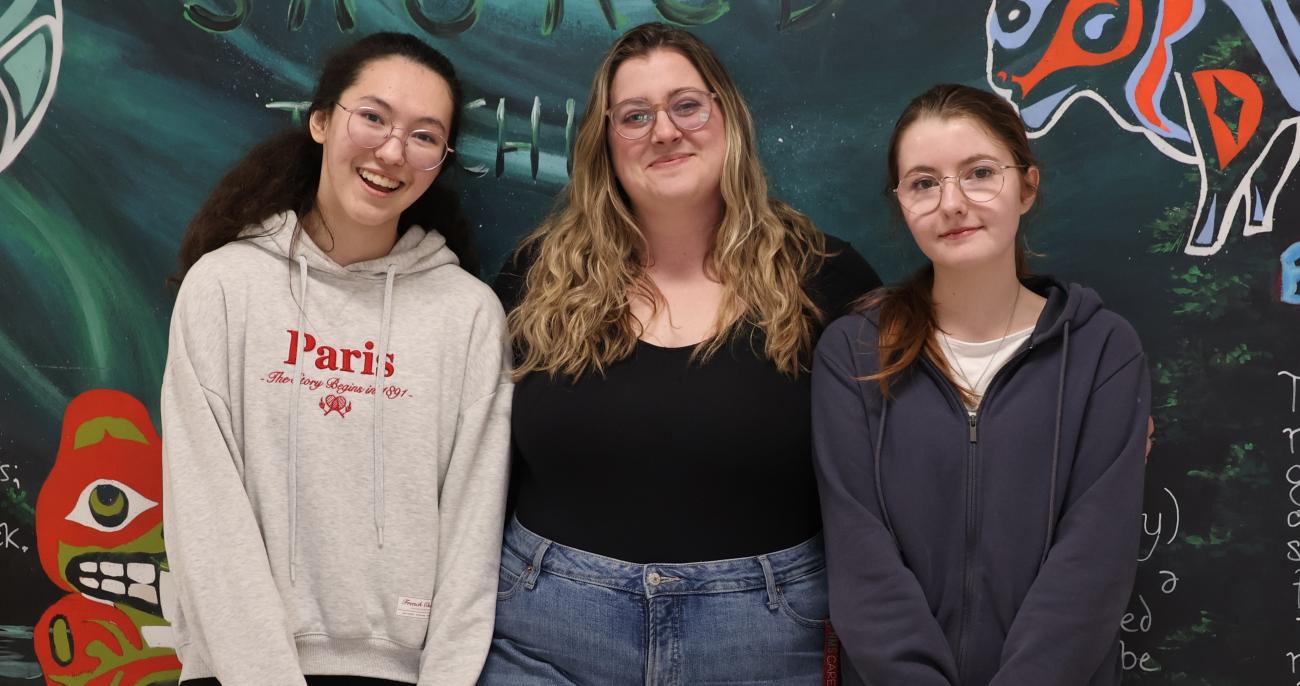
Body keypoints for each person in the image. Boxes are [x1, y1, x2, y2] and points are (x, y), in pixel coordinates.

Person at [482, 22, 881, 684]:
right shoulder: (536, 279)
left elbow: (884, 488)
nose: (664, 132)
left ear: (729, 117)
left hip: (765, 642)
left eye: (686, 105)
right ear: (605, 141)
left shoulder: (826, 279)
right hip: (547, 637)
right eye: (634, 115)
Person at [161, 32, 512, 686]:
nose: (392, 152)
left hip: (399, 674)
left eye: (425, 136)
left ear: (440, 160)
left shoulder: (467, 316)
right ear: (321, 120)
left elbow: (474, 535)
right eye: (373, 117)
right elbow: (204, 511)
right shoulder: (226, 287)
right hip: (235, 671)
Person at [812, 83, 1149, 686]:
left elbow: (1093, 562)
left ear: (1027, 187)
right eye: (923, 183)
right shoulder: (854, 352)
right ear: (901, 204)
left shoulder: (1103, 350)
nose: (952, 203)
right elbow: (860, 557)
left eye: (980, 173)